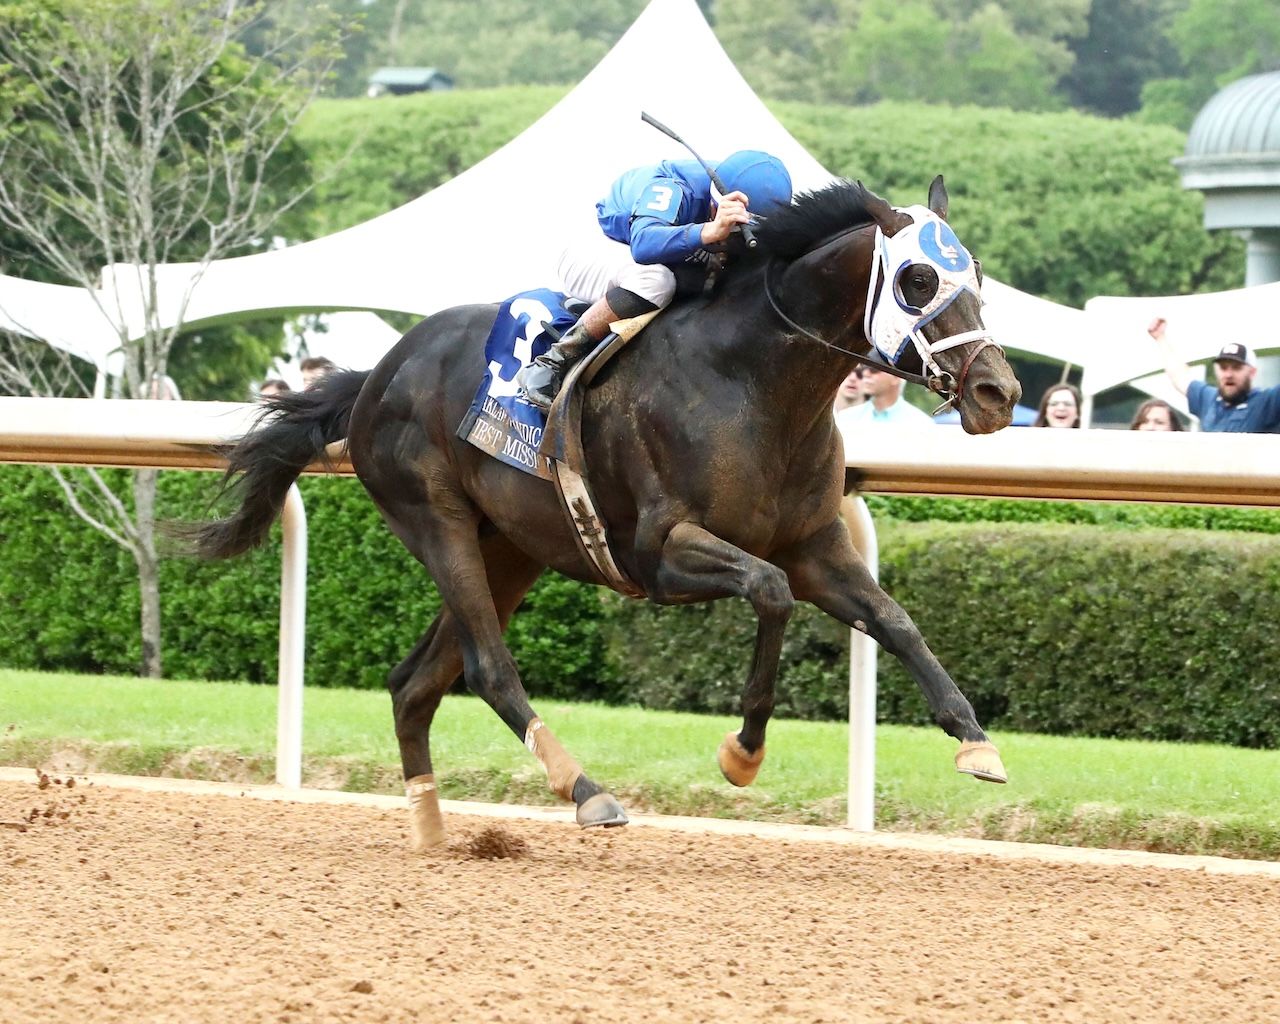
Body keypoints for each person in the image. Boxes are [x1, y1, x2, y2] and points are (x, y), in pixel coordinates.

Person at [517, 150, 794, 412]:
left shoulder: (751, 195)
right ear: (717, 203)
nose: (735, 237)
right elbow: (643, 245)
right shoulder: (674, 187)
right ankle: (551, 363)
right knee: (657, 280)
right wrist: (708, 231)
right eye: (736, 228)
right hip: (599, 248)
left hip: (647, 262)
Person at [1147, 317, 1280, 433]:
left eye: (1236, 368)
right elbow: (1180, 376)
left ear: (1252, 372)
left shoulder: (1268, 402)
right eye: (1223, 368)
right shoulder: (1209, 399)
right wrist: (1161, 338)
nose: (1228, 374)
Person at [834, 365, 933, 432]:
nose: (865, 373)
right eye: (864, 367)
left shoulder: (921, 424)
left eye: (874, 368)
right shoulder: (845, 419)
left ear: (896, 377)